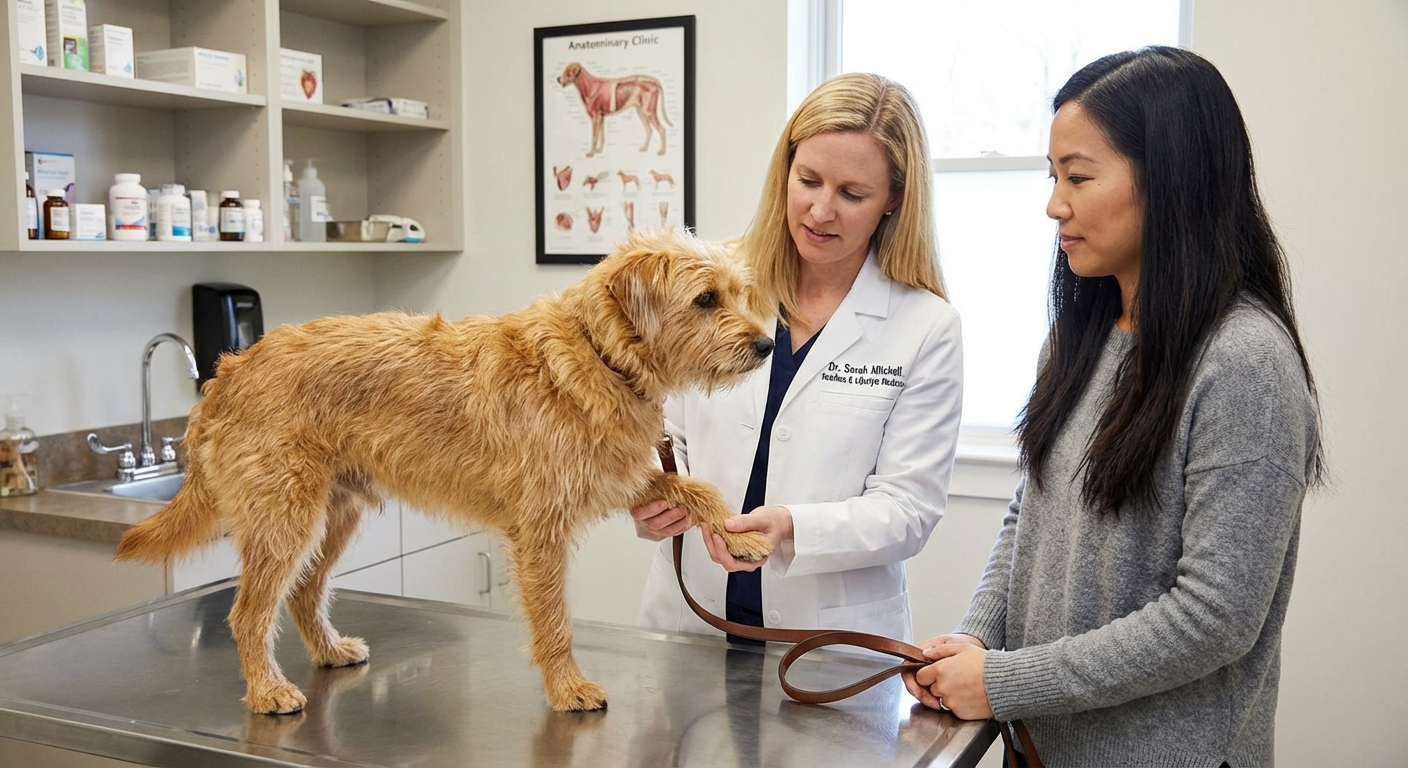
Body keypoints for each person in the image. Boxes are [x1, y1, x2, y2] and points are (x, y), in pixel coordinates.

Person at [902, 47, 1324, 767]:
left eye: (1079, 176)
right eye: (1051, 175)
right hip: (1040, 745)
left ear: (1171, 181)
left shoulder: (1245, 361)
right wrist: (977, 639)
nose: (1054, 203)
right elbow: (1029, 513)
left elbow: (1215, 619)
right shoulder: (1079, 339)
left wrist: (1004, 681)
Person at [632, 72, 963, 642]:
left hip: (829, 640)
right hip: (690, 620)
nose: (820, 211)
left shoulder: (925, 327)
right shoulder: (711, 283)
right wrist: (654, 489)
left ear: (894, 201)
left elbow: (908, 510)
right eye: (807, 180)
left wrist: (791, 528)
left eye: (852, 194)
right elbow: (661, 429)